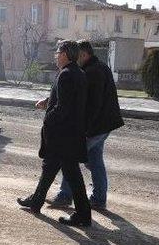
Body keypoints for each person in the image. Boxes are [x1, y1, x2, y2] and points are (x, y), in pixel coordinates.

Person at [18, 40, 92, 227]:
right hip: (71, 133)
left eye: (58, 52)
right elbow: (68, 100)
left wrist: (48, 118)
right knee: (50, 167)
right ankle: (36, 202)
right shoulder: (78, 73)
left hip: (63, 135)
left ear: (65, 54)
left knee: (72, 175)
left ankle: (83, 215)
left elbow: (63, 107)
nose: (55, 55)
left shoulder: (66, 74)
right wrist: (48, 100)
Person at [47, 40, 124, 209]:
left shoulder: (91, 72)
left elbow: (92, 104)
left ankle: (65, 196)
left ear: (83, 54)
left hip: (95, 127)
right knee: (95, 161)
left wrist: (85, 130)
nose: (74, 59)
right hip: (104, 126)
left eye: (76, 55)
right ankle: (98, 199)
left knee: (70, 157)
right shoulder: (99, 67)